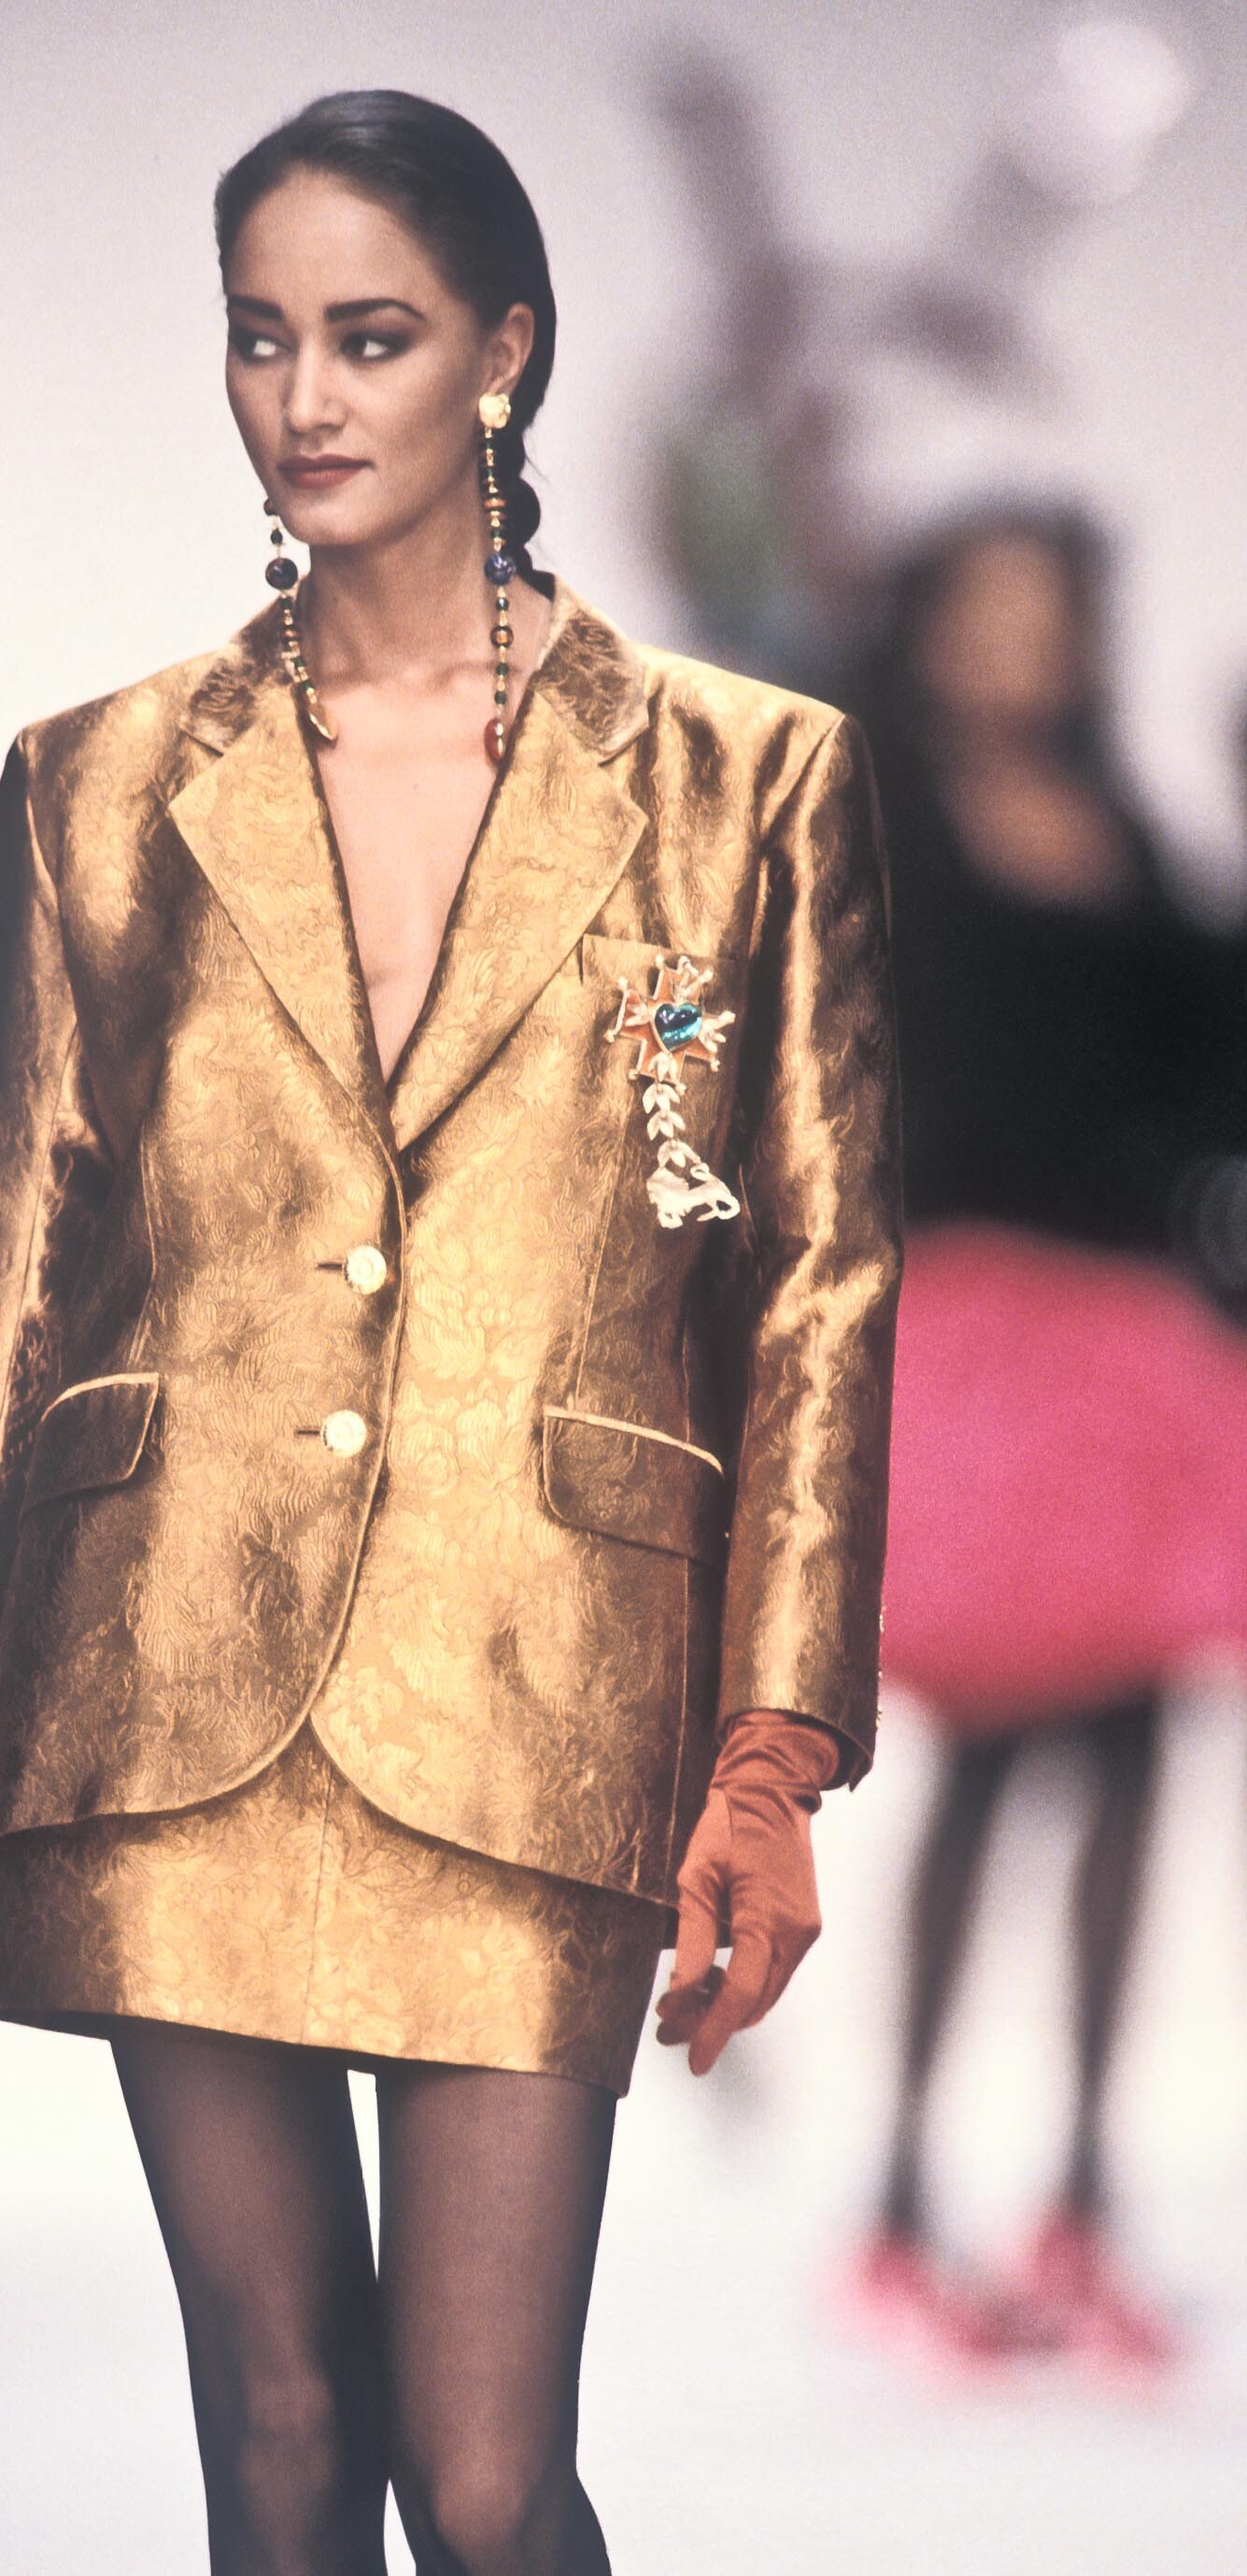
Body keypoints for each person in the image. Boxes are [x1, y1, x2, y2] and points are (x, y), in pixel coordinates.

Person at [0, 91, 901, 2573]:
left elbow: (802, 1274)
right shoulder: (96, 786)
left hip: (544, 1673)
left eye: (371, 335)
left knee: (486, 2478)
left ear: (503, 353)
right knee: (286, 2439)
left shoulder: (741, 783)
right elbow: (8, 1289)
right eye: (260, 337)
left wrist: (771, 1744)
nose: (304, 397)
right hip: (164, 1672)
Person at [845, 504, 1247, 2377]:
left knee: (1132, 1745)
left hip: (1124, 1340)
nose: (1027, 645)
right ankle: (901, 2198)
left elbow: (1211, 1064)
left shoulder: (1120, 832)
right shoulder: (882, 824)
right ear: (930, 631)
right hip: (973, 1333)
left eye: (1052, 615)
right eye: (994, 611)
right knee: (991, 1748)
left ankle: (1078, 2194)